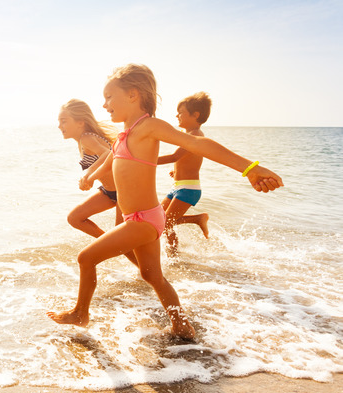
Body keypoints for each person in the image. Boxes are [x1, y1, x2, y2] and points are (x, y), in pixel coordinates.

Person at [47, 64, 283, 340]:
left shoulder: (149, 126)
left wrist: (250, 168)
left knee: (85, 258)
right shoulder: (126, 132)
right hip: (140, 218)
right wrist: (91, 176)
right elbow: (112, 157)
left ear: (133, 94)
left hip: (144, 219)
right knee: (152, 277)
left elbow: (199, 145)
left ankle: (80, 313)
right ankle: (181, 325)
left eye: (110, 96)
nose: (104, 104)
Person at [58, 99, 138, 266]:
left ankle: (149, 273)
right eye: (59, 122)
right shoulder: (82, 140)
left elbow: (109, 153)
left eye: (64, 121)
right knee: (75, 218)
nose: (60, 126)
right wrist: (91, 175)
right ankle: (110, 243)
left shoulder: (86, 138)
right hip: (110, 192)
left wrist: (89, 175)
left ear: (80, 122)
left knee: (121, 239)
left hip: (123, 191)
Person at [157, 92, 212, 255]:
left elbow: (175, 156)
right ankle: (196, 219)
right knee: (159, 219)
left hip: (188, 189)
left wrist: (144, 160)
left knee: (165, 223)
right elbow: (187, 159)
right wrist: (177, 171)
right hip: (179, 187)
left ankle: (173, 257)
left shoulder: (195, 135)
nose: (177, 115)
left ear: (195, 115)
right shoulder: (190, 135)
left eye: (180, 113)